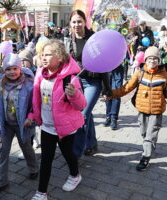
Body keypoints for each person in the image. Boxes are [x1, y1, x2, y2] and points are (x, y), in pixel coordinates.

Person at [28, 40, 87, 200]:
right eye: (42, 55)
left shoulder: (71, 78)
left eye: (48, 54)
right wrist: (33, 115)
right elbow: (36, 98)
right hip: (47, 126)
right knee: (46, 159)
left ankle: (75, 175)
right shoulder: (40, 72)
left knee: (68, 154)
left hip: (65, 127)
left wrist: (74, 94)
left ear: (59, 57)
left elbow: (81, 105)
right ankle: (41, 193)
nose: (44, 58)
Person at [110, 46, 167, 171]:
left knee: (150, 134)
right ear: (145, 60)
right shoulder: (140, 72)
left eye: (155, 58)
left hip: (157, 110)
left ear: (158, 60)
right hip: (142, 108)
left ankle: (145, 157)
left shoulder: (163, 73)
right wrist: (111, 94)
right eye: (149, 58)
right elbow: (126, 88)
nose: (152, 61)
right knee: (144, 133)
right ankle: (149, 146)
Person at [0, 53, 39, 194]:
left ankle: (34, 168)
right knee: (2, 152)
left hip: (22, 124)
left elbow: (35, 105)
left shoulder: (29, 84)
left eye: (15, 68)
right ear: (3, 70)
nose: (12, 72)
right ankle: (1, 182)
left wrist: (31, 117)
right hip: (5, 124)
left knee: (26, 148)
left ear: (20, 68)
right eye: (8, 69)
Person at [65, 9, 111, 157]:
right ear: (70, 24)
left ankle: (75, 153)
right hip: (77, 82)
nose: (77, 24)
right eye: (74, 22)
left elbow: (103, 63)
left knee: (82, 116)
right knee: (87, 114)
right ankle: (91, 143)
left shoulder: (94, 38)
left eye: (80, 21)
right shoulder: (68, 39)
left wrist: (106, 88)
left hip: (93, 82)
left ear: (85, 22)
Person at [103, 65, 124, 130]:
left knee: (116, 93)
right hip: (106, 67)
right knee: (107, 93)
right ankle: (108, 116)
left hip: (118, 68)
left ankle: (113, 118)